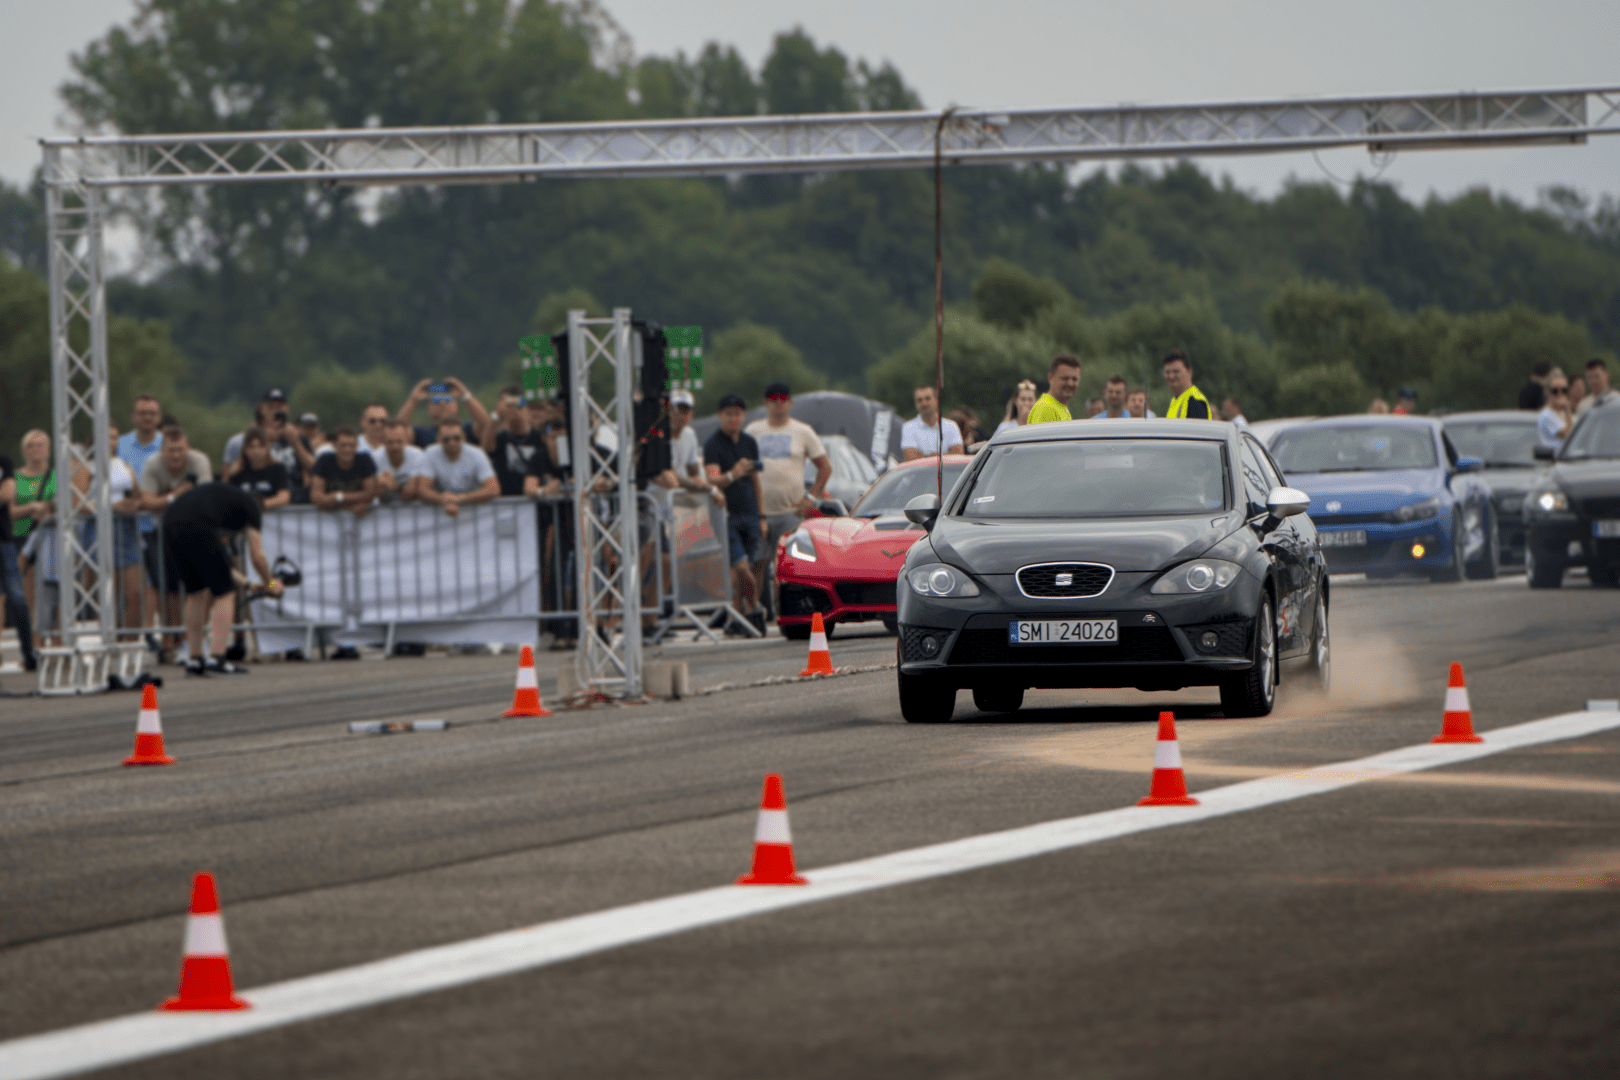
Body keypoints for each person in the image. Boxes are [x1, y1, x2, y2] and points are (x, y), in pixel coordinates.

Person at [162, 481, 283, 675]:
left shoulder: (224, 503)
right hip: (197, 523)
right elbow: (257, 556)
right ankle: (217, 657)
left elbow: (221, 564)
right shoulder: (252, 507)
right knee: (226, 594)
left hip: (170, 522)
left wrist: (249, 584)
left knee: (196, 592)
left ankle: (195, 659)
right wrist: (271, 582)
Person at [746, 382, 832, 615]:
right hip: (759, 512)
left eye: (783, 399)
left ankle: (787, 611)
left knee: (788, 564)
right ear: (765, 403)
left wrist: (811, 497)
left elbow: (825, 467)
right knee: (756, 564)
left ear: (790, 403)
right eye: (773, 399)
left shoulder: (802, 431)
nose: (778, 404)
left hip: (791, 512)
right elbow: (741, 465)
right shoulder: (753, 431)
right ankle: (754, 612)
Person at [139, 423, 213, 658]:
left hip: (197, 531)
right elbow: (147, 503)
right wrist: (177, 495)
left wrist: (166, 501)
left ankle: (199, 637)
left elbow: (204, 501)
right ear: (162, 450)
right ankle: (173, 637)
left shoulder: (199, 461)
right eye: (171, 450)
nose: (176, 455)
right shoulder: (153, 463)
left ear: (188, 449)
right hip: (166, 531)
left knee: (203, 587)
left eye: (180, 450)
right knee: (168, 587)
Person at [73, 424, 144, 637]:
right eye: (106, 437)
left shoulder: (124, 465)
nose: (110, 441)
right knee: (108, 593)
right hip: (99, 528)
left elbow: (138, 495)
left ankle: (131, 640)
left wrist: (135, 504)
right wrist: (112, 507)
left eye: (114, 437)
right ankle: (112, 638)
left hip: (126, 529)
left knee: (134, 592)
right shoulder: (86, 467)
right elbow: (79, 504)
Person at [703, 394, 765, 634]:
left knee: (742, 569)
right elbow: (712, 479)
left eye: (737, 414)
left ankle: (737, 617)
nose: (733, 418)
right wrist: (733, 474)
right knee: (740, 567)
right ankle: (756, 607)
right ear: (720, 416)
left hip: (750, 512)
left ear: (743, 416)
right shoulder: (713, 444)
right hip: (726, 515)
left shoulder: (749, 442)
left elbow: (756, 481)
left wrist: (761, 515)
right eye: (728, 414)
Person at [118, 395, 165, 637]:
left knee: (162, 584)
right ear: (133, 417)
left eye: (152, 413)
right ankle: (130, 638)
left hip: (159, 525)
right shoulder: (120, 444)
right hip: (126, 526)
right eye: (142, 413)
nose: (147, 417)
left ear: (159, 417)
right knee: (131, 590)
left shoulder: (168, 443)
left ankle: (167, 638)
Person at [0, 434, 46, 671]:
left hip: (4, 540)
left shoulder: (3, 462)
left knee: (18, 598)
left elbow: (8, 494)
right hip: (13, 539)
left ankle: (29, 653)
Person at [484, 386, 556, 497]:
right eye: (507, 405)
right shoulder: (500, 438)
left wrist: (521, 408)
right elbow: (485, 448)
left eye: (517, 404)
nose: (512, 409)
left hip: (537, 499)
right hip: (508, 501)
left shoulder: (540, 437)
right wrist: (496, 414)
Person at [418, 420, 499, 516]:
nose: (452, 442)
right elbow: (422, 489)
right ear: (439, 439)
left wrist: (460, 498)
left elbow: (493, 489)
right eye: (446, 439)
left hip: (476, 514)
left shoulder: (477, 454)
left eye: (456, 438)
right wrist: (442, 499)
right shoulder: (430, 453)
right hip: (443, 511)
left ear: (463, 437)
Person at [398, 377, 490, 449]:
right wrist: (413, 400)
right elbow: (397, 431)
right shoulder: (421, 434)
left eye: (447, 399)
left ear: (457, 406)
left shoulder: (467, 430)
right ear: (429, 408)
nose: (442, 403)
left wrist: (466, 395)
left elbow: (487, 425)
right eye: (436, 400)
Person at [310, 426, 378, 516]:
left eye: (351, 445)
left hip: (361, 519)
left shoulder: (365, 460)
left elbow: (371, 493)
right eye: (343, 445)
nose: (347, 449)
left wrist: (337, 497)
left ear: (357, 445)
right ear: (334, 445)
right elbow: (316, 497)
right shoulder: (324, 460)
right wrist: (350, 505)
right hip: (329, 520)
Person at [232, 428, 292, 508]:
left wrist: (260, 504)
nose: (256, 451)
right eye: (251, 446)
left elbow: (284, 497)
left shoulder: (278, 470)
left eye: (260, 446)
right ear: (245, 449)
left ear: (267, 448)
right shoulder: (238, 473)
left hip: (270, 514)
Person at [901, 386, 964, 458]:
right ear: (915, 403)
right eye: (919, 400)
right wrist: (946, 454)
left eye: (928, 398)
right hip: (929, 467)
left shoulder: (951, 426)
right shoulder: (908, 427)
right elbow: (911, 458)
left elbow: (958, 455)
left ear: (936, 400)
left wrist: (924, 455)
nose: (924, 403)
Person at [374, 420, 428, 503]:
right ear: (382, 441)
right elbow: (378, 497)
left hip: (415, 507)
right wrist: (382, 488)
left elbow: (414, 494)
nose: (395, 446)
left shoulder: (418, 455)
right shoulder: (374, 458)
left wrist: (396, 486)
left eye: (399, 441)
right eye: (390, 442)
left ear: (406, 439)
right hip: (385, 507)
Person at [1028, 355, 1081, 424]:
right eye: (1065, 378)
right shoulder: (1046, 409)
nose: (1070, 383)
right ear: (1050, 378)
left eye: (1074, 379)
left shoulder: (1061, 408)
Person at [1162, 350, 1212, 419]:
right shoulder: (1175, 401)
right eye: (1167, 372)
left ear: (1189, 372)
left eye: (1176, 371)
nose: (1171, 376)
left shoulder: (1195, 401)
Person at [1537, 370, 1574, 451]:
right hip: (1553, 457)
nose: (1560, 394)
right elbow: (1568, 435)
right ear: (1548, 392)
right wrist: (1567, 410)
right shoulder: (1546, 415)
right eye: (1555, 391)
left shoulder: (1562, 413)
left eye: (1564, 390)